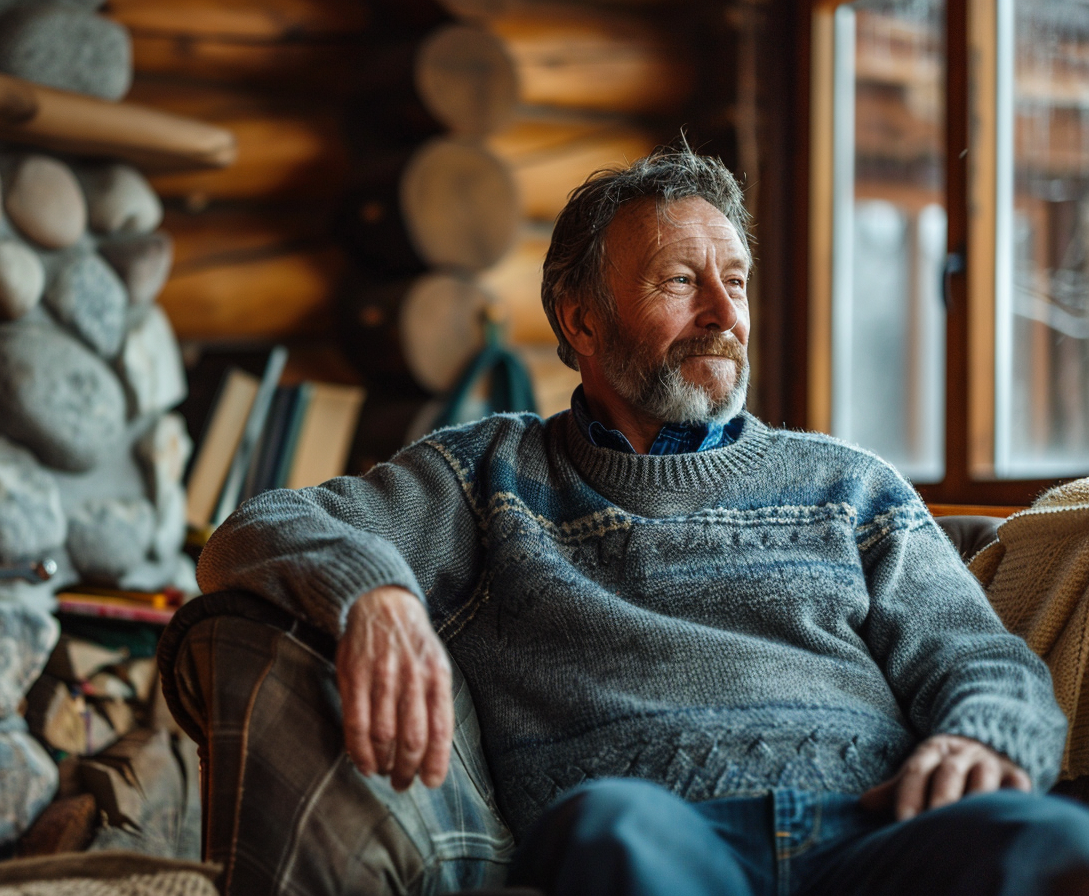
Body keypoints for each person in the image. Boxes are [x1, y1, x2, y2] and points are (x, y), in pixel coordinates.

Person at [196, 144, 1089, 895]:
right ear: (580, 319)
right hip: (661, 846)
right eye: (680, 281)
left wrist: (981, 733)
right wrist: (375, 594)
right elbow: (257, 527)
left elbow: (981, 658)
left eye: (734, 281)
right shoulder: (486, 478)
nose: (724, 314)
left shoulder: (847, 484)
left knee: (1051, 843)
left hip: (875, 835)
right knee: (611, 828)